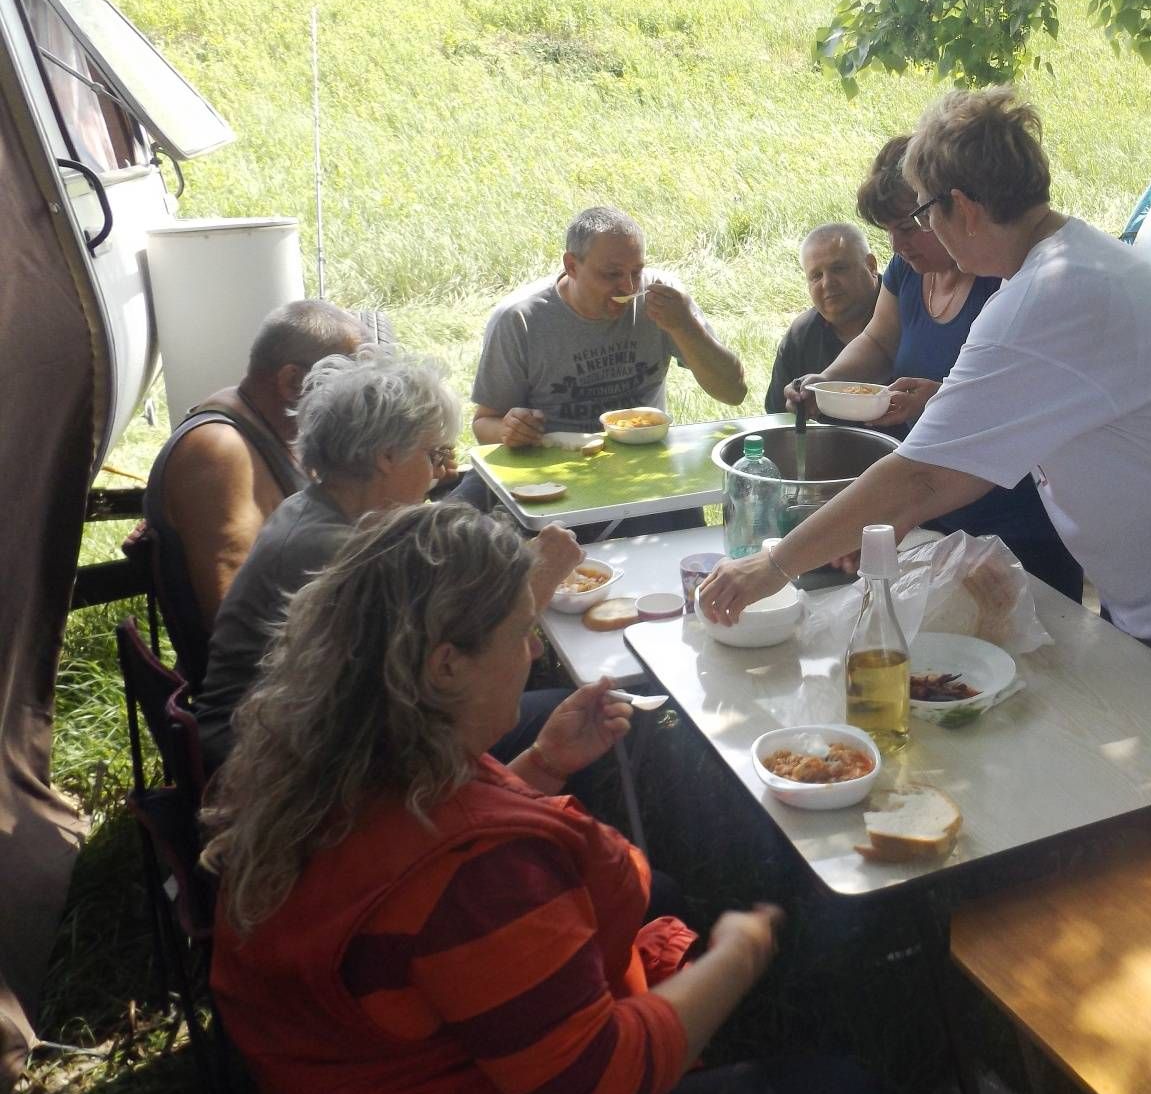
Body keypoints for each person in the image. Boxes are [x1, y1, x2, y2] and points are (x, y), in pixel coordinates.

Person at [203, 503, 880, 1094]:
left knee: (662, 894)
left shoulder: (329, 766)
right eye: (520, 633)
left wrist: (540, 768)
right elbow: (597, 1090)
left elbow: (407, 867)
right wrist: (737, 956)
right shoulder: (482, 881)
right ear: (446, 667)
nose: (532, 654)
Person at [708, 90, 1151, 719]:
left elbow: (920, 478)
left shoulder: (1046, 296)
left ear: (966, 209)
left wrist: (774, 566)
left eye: (925, 213)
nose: (922, 233)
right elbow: (960, 464)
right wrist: (873, 527)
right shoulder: (1070, 261)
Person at [194, 347, 573, 773]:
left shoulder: (320, 506)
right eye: (432, 454)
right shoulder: (337, 551)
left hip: (302, 726)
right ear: (387, 456)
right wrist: (536, 576)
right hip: (275, 760)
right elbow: (444, 668)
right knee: (566, 712)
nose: (438, 472)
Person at [785, 136, 1084, 602]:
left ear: (950, 209)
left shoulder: (1003, 281)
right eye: (888, 230)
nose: (898, 244)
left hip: (1015, 524)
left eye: (910, 225)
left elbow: (1012, 399)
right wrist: (828, 381)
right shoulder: (908, 272)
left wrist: (937, 396)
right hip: (930, 516)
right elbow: (879, 340)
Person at [143, 299, 363, 676]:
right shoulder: (220, 451)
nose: (359, 397)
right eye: (347, 382)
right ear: (293, 381)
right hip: (262, 701)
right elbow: (233, 619)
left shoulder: (270, 425)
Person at [472, 205, 746, 447]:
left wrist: (686, 327)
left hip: (640, 455)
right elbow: (484, 425)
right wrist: (510, 430)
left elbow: (733, 392)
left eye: (636, 272)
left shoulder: (662, 299)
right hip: (553, 460)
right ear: (572, 266)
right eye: (611, 274)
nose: (627, 287)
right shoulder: (520, 319)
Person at [763, 222, 881, 412]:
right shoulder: (801, 335)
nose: (827, 283)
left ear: (871, 265)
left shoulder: (905, 310)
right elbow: (776, 416)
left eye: (839, 268)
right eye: (816, 276)